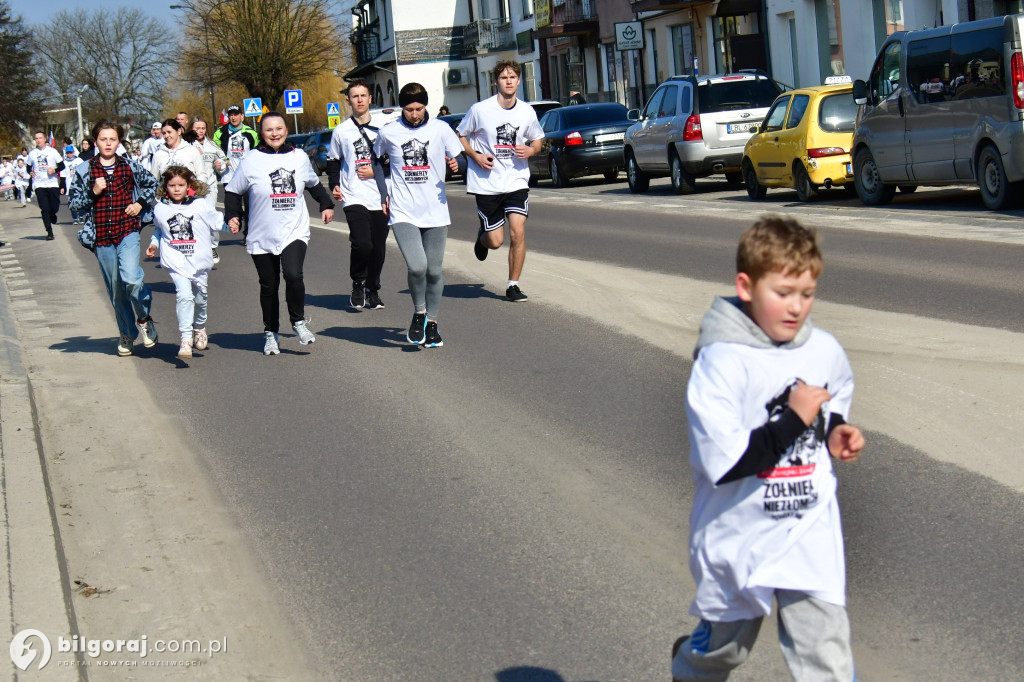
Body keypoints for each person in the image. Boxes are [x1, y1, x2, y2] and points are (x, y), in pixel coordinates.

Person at [674, 216, 865, 682]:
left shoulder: (823, 349)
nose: (797, 307)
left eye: (808, 293)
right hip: (738, 536)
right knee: (722, 653)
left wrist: (834, 430)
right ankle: (688, 666)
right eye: (783, 293)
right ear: (746, 286)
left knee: (826, 655)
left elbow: (831, 399)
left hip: (806, 530)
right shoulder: (721, 362)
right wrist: (796, 418)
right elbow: (729, 462)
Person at [224, 111, 334, 356]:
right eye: (269, 130)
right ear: (261, 133)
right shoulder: (251, 160)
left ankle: (298, 322)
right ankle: (271, 333)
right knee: (269, 285)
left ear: (286, 130)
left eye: (279, 129)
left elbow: (314, 185)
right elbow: (233, 191)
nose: (275, 133)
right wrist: (233, 215)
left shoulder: (299, 157)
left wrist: (326, 205)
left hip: (293, 229)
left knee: (294, 275)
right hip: (261, 233)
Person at [374, 82, 463, 348]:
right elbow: (376, 160)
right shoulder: (389, 132)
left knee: (434, 272)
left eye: (420, 108)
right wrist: (383, 193)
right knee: (417, 266)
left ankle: (432, 324)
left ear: (426, 106)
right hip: (403, 210)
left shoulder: (440, 129)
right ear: (403, 107)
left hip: (435, 211)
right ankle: (419, 312)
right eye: (410, 109)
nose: (415, 114)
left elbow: (461, 157)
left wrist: (458, 164)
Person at [68, 121, 159, 357]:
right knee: (116, 290)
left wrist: (139, 204)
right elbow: (74, 205)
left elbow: (152, 184)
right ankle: (127, 333)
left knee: (132, 278)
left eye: (112, 139)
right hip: (101, 236)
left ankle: (144, 317)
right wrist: (93, 192)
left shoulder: (129, 166)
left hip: (127, 230)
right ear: (95, 141)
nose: (108, 143)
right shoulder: (84, 170)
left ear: (119, 141)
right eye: (103, 139)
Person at [457, 60, 543, 302]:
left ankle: (513, 285)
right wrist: (475, 155)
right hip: (487, 183)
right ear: (496, 81)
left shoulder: (526, 111)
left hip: (516, 180)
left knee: (518, 231)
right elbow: (459, 135)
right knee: (496, 241)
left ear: (518, 81)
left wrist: (531, 150)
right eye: (504, 77)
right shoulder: (480, 110)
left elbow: (538, 139)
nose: (508, 81)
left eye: (513, 77)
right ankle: (482, 237)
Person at [327, 79, 390, 311]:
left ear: (370, 98)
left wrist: (377, 171)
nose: (360, 100)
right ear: (348, 100)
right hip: (354, 194)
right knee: (362, 243)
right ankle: (358, 283)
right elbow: (333, 160)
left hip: (382, 195)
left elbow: (396, 160)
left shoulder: (385, 126)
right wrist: (334, 184)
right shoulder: (341, 131)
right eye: (355, 96)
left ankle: (373, 289)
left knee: (378, 247)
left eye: (364, 95)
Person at [145, 166, 221, 359]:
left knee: (200, 299)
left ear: (189, 186)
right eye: (172, 185)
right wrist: (154, 244)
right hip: (176, 259)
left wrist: (232, 224)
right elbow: (159, 229)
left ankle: (200, 327)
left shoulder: (200, 205)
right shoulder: (161, 208)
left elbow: (216, 221)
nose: (176, 189)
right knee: (184, 295)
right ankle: (186, 338)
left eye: (181, 185)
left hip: (198, 259)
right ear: (166, 187)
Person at [214, 104, 259, 242]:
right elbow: (215, 150)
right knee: (233, 208)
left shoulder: (251, 133)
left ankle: (249, 234)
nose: (233, 117)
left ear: (242, 116)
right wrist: (223, 159)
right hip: (229, 176)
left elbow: (257, 152)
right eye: (231, 115)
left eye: (236, 114)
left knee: (251, 207)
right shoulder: (220, 132)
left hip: (247, 177)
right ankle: (235, 224)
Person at [190, 115, 227, 264]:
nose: (200, 131)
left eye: (203, 128)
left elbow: (223, 161)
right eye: (197, 128)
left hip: (210, 186)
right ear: (191, 129)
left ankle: (212, 246)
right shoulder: (187, 145)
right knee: (194, 219)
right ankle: (196, 248)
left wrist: (220, 166)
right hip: (192, 188)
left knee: (211, 215)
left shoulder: (212, 146)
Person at [25, 131, 64, 241]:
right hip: (39, 184)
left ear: (45, 139)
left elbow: (62, 165)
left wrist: (54, 170)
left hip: (52, 183)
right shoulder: (32, 153)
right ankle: (49, 232)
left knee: (54, 206)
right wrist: (30, 172)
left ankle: (53, 214)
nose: (38, 140)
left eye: (40, 138)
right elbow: (28, 167)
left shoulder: (52, 152)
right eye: (36, 138)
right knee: (44, 208)